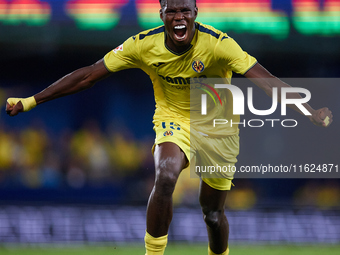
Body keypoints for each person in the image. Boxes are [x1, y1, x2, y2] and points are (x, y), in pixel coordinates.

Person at [6, 0, 333, 254]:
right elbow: (90, 74)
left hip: (218, 128)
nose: (179, 17)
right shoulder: (141, 44)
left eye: (185, 11)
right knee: (165, 175)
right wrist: (32, 100)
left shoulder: (219, 44)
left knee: (212, 214)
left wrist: (308, 110)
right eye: (171, 10)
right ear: (161, 13)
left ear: (195, 13)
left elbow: (266, 81)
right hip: (173, 120)